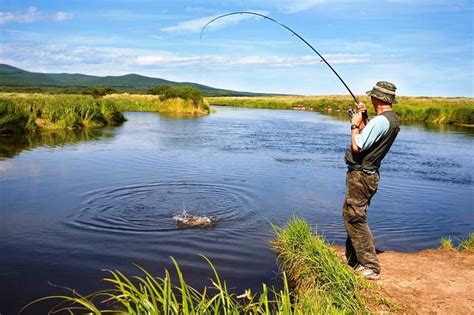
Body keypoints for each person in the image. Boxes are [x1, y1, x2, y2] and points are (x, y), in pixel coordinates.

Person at [342, 81, 400, 280]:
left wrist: (354, 123)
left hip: (362, 176)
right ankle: (354, 259)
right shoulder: (389, 119)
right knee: (351, 214)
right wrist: (364, 118)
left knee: (355, 217)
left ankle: (370, 267)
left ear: (378, 98)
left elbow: (358, 145)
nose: (370, 98)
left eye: (372, 96)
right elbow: (369, 138)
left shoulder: (381, 121)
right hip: (367, 175)